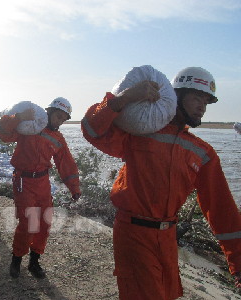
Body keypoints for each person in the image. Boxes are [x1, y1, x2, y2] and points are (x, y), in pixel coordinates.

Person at [81, 67, 241, 299]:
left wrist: (237, 262)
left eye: (206, 101)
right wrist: (125, 99)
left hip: (168, 237)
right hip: (133, 232)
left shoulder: (202, 152)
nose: (202, 107)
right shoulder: (139, 131)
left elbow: (221, 209)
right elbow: (91, 129)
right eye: (197, 98)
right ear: (177, 96)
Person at [0, 97, 81, 279]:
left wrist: (74, 187)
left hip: (43, 182)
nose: (59, 122)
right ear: (48, 112)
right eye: (57, 116)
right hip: (23, 181)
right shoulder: (29, 127)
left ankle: (34, 262)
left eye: (63, 119)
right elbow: (2, 132)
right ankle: (16, 259)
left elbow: (66, 163)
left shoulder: (58, 138)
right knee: (28, 222)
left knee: (44, 222)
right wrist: (18, 117)